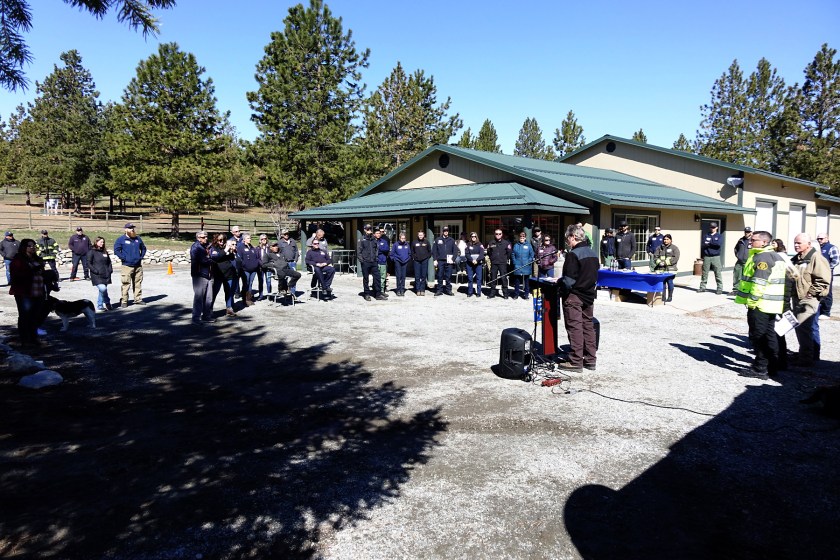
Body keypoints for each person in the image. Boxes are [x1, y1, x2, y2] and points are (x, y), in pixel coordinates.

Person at [734, 231, 787, 379]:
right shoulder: (776, 256)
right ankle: (773, 366)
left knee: (759, 337)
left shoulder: (762, 258)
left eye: (754, 240)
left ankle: (760, 368)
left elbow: (759, 283)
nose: (750, 242)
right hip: (771, 305)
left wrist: (752, 301)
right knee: (770, 336)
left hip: (761, 304)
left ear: (764, 242)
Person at [558, 225, 599, 372]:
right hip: (589, 295)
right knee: (588, 326)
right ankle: (590, 360)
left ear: (573, 237)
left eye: (567, 239)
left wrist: (560, 284)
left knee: (575, 327)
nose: (567, 242)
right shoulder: (593, 253)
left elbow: (569, 280)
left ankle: (576, 361)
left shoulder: (573, 254)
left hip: (575, 295)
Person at [790, 233, 830, 367]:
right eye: (795, 243)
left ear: (808, 244)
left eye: (799, 243)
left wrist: (811, 293)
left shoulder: (816, 258)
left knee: (804, 327)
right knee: (800, 327)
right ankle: (806, 354)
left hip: (809, 299)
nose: (796, 245)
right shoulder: (797, 258)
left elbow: (823, 280)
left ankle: (806, 359)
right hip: (797, 298)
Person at [9, 238, 46, 346]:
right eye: (30, 246)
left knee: (35, 316)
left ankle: (34, 338)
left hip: (38, 290)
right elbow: (16, 276)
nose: (32, 247)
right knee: (25, 316)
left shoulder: (37, 259)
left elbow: (41, 273)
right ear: (24, 247)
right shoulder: (18, 260)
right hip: (24, 292)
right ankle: (25, 340)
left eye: (34, 246)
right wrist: (32, 271)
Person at [113, 223, 147, 307]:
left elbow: (143, 248)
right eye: (130, 228)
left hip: (138, 266)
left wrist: (141, 257)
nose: (132, 229)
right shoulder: (121, 239)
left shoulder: (138, 239)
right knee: (126, 284)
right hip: (127, 266)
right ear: (125, 229)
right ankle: (124, 301)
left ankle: (138, 299)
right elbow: (116, 250)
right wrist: (123, 258)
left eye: (133, 228)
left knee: (138, 283)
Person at [189, 231, 214, 323]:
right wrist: (213, 259)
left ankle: (206, 316)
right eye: (203, 237)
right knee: (199, 297)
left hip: (209, 274)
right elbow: (203, 260)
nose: (206, 238)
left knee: (209, 297)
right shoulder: (195, 247)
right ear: (198, 238)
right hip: (199, 275)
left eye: (206, 236)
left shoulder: (208, 246)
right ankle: (196, 318)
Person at [209, 235, 237, 317]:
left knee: (229, 292)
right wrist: (225, 250)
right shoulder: (213, 248)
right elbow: (216, 258)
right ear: (216, 240)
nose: (221, 242)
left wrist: (232, 251)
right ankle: (209, 309)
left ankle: (229, 308)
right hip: (218, 274)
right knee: (214, 293)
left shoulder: (226, 247)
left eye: (223, 240)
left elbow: (232, 258)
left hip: (229, 274)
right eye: (220, 240)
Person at [358, 223, 383, 301]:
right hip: (365, 262)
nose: (369, 230)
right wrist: (362, 260)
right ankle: (366, 294)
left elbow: (376, 249)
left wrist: (376, 258)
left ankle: (378, 294)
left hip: (374, 262)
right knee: (366, 279)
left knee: (377, 277)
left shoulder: (373, 239)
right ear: (365, 230)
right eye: (368, 229)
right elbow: (359, 251)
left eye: (370, 229)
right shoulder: (362, 239)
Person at [87, 236, 113, 312]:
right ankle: (107, 302)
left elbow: (109, 262)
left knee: (102, 291)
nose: (102, 243)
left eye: (103, 242)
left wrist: (110, 270)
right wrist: (95, 271)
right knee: (103, 289)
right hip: (97, 275)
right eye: (101, 242)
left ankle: (100, 306)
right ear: (96, 242)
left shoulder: (104, 252)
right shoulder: (91, 251)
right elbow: (88, 263)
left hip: (106, 274)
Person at [652, 234, 680, 302]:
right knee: (663, 283)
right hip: (661, 269)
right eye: (664, 239)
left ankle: (670, 297)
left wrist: (665, 263)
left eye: (667, 239)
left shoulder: (674, 248)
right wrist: (659, 262)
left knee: (670, 282)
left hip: (671, 269)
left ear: (671, 240)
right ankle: (663, 297)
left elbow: (675, 258)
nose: (665, 241)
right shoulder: (659, 248)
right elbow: (655, 257)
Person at [816, 233, 838, 317]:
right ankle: (818, 310)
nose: (819, 240)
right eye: (818, 239)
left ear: (826, 238)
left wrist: (827, 269)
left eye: (821, 238)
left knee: (827, 292)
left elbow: (835, 261)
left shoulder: (831, 248)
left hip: (827, 273)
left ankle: (826, 312)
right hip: (817, 272)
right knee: (818, 290)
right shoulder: (817, 248)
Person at [699, 222, 724, 294]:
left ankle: (719, 288)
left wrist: (709, 243)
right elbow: (703, 245)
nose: (712, 229)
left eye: (714, 227)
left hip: (716, 257)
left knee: (717, 273)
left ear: (717, 228)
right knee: (704, 273)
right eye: (711, 227)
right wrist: (711, 244)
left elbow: (718, 244)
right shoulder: (706, 235)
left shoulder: (719, 236)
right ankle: (702, 287)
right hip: (707, 256)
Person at [486, 228, 511, 299]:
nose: (498, 235)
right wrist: (492, 258)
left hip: (502, 263)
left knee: (503, 278)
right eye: (496, 234)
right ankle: (492, 293)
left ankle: (505, 294)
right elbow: (489, 252)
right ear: (494, 234)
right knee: (493, 278)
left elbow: (509, 253)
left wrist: (505, 259)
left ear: (502, 234)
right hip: (494, 263)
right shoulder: (491, 243)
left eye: (499, 234)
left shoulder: (506, 243)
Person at [432, 226, 457, 296]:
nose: (446, 232)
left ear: (448, 232)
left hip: (449, 261)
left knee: (448, 276)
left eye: (447, 231)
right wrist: (435, 259)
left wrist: (453, 259)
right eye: (444, 231)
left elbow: (455, 251)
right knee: (439, 276)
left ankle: (448, 290)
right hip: (440, 261)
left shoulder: (452, 240)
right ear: (442, 231)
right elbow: (434, 250)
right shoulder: (437, 240)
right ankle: (439, 290)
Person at [237, 233, 261, 306]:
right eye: (248, 238)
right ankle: (244, 299)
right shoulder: (240, 247)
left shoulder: (252, 247)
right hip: (245, 270)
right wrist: (244, 265)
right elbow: (239, 259)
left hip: (253, 270)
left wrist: (256, 264)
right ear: (244, 239)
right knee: (246, 284)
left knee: (250, 284)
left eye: (250, 238)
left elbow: (256, 257)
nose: (250, 239)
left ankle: (249, 299)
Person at [510, 231, 533, 299]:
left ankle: (526, 294)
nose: (522, 238)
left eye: (523, 237)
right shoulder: (516, 245)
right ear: (519, 237)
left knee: (526, 281)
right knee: (517, 281)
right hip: (518, 265)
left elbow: (532, 254)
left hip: (526, 265)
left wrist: (529, 261)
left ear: (525, 238)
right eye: (521, 237)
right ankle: (516, 294)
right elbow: (513, 254)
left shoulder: (529, 245)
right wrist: (514, 262)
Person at [465, 231, 486, 298]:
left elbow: (482, 254)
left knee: (478, 278)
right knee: (470, 278)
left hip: (478, 263)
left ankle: (478, 292)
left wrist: (477, 260)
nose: (473, 237)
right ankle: (470, 292)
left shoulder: (480, 244)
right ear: (470, 237)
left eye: (475, 236)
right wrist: (472, 260)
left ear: (476, 237)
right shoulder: (468, 244)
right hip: (469, 263)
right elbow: (467, 254)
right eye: (472, 236)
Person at [390, 232, 411, 297]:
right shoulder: (395, 245)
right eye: (402, 238)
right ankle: (398, 290)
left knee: (403, 276)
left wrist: (408, 259)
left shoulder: (407, 245)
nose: (403, 239)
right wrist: (394, 260)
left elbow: (409, 254)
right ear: (399, 238)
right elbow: (391, 254)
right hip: (398, 262)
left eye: (404, 238)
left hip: (405, 262)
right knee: (398, 276)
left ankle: (402, 290)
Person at [732, 227, 753, 293]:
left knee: (747, 277)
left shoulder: (753, 241)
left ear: (751, 232)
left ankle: (746, 290)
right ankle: (736, 289)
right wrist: (738, 256)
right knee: (736, 275)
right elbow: (736, 249)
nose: (746, 233)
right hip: (740, 261)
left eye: (748, 232)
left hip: (748, 262)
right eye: (746, 232)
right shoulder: (741, 240)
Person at [411, 230, 432, 296]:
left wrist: (427, 257)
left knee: (423, 275)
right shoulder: (414, 242)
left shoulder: (426, 242)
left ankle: (422, 290)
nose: (420, 236)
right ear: (418, 235)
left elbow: (430, 251)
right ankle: (418, 290)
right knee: (417, 276)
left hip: (424, 261)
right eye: (419, 235)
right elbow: (412, 251)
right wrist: (414, 257)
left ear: (424, 235)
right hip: (416, 261)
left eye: (421, 235)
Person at [229, 225, 244, 297]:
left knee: (244, 278)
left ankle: (245, 291)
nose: (238, 232)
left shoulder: (243, 239)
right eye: (236, 231)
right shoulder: (231, 240)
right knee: (236, 277)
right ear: (233, 233)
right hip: (235, 260)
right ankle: (237, 292)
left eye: (239, 231)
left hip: (243, 260)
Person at [255, 234, 270, 300]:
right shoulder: (257, 248)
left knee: (268, 281)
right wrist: (262, 264)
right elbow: (257, 258)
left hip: (268, 267)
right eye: (262, 239)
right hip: (260, 268)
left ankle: (269, 295)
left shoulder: (269, 248)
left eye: (265, 238)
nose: (264, 240)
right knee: (261, 281)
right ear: (260, 240)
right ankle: (261, 295)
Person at [376, 227, 391, 296]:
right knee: (376, 277)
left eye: (380, 233)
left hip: (383, 261)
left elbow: (387, 249)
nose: (379, 234)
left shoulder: (384, 241)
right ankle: (376, 290)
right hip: (375, 261)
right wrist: (380, 250)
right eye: (377, 233)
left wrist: (379, 249)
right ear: (374, 234)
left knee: (383, 277)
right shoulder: (373, 241)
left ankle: (382, 291)